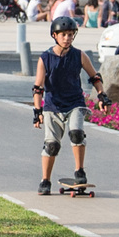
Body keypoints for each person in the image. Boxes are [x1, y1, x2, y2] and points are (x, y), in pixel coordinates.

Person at [31, 16, 105, 195]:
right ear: (54, 35)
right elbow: (38, 87)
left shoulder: (79, 55)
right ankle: (45, 180)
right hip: (53, 106)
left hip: (75, 103)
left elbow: (95, 77)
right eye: (63, 34)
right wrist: (37, 110)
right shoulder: (45, 58)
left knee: (76, 133)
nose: (67, 38)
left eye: (70, 34)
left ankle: (80, 171)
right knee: (51, 146)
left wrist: (102, 95)